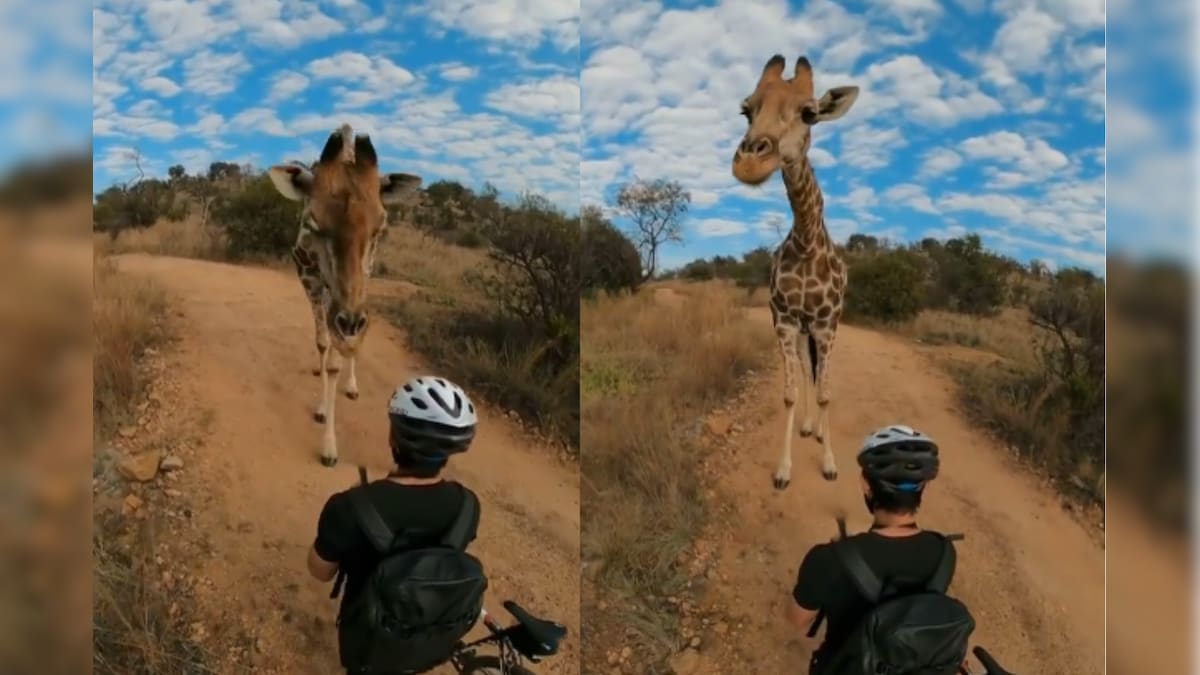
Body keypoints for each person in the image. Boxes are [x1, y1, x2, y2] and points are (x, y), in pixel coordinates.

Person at [306, 376, 486, 674]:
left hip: (368, 644)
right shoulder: (468, 505)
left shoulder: (349, 507)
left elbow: (319, 571)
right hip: (426, 636)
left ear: (394, 438)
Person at [786, 424, 971, 674]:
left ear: (865, 484)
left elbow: (798, 620)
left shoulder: (828, 559)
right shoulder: (943, 552)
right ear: (925, 487)